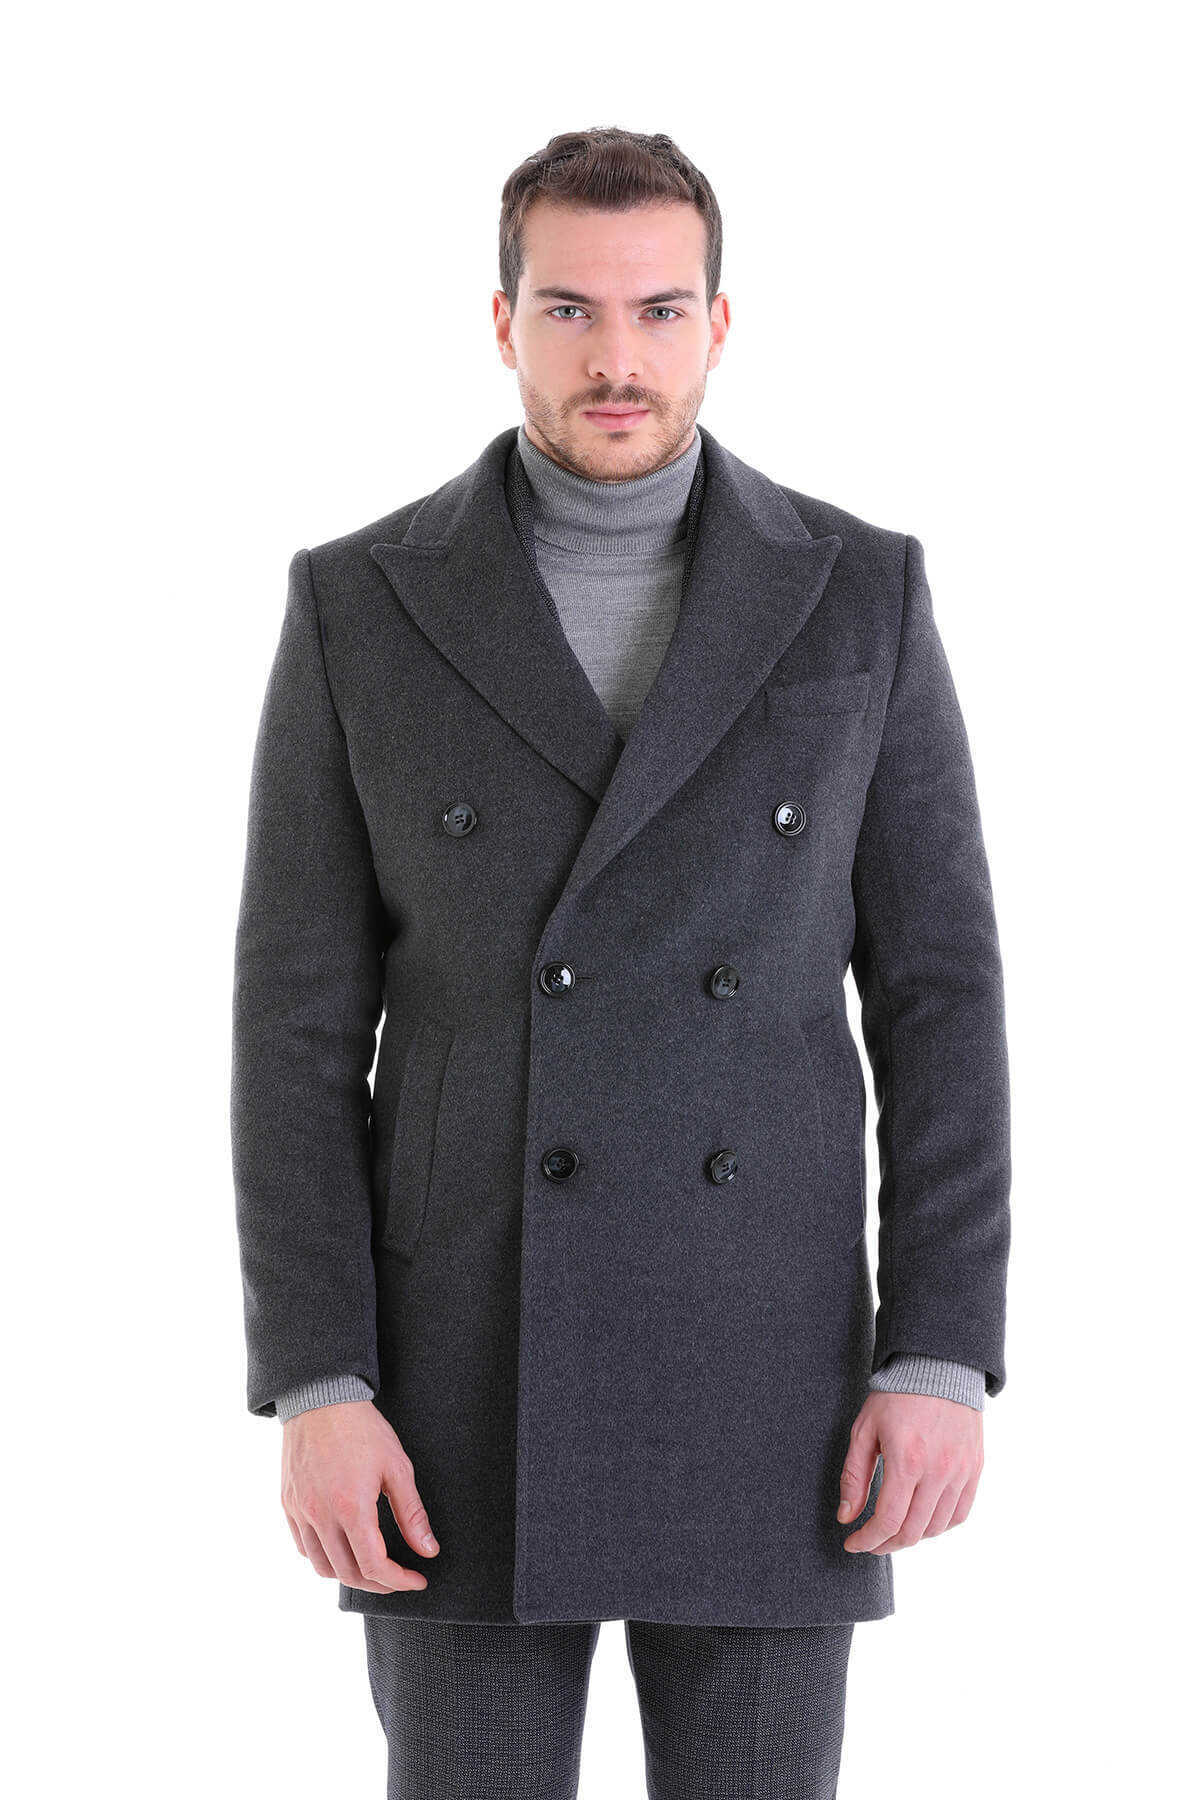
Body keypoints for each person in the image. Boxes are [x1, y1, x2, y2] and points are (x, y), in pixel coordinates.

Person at [231, 126, 1011, 1800]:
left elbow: (942, 995)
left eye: (659, 311)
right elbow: (294, 1032)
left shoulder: (860, 592)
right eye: (570, 309)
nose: (616, 358)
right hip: (455, 1368)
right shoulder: (361, 601)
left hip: (772, 1363)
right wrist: (316, 1380)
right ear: (500, 321)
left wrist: (940, 1353)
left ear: (719, 324)